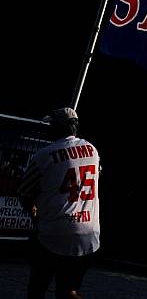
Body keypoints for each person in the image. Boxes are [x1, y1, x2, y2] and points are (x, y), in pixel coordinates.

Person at [18, 107, 100, 299]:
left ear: (58, 127)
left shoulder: (44, 155)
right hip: (90, 234)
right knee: (67, 291)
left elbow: (24, 192)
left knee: (37, 285)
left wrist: (34, 213)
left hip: (55, 232)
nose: (48, 129)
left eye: (51, 125)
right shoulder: (93, 150)